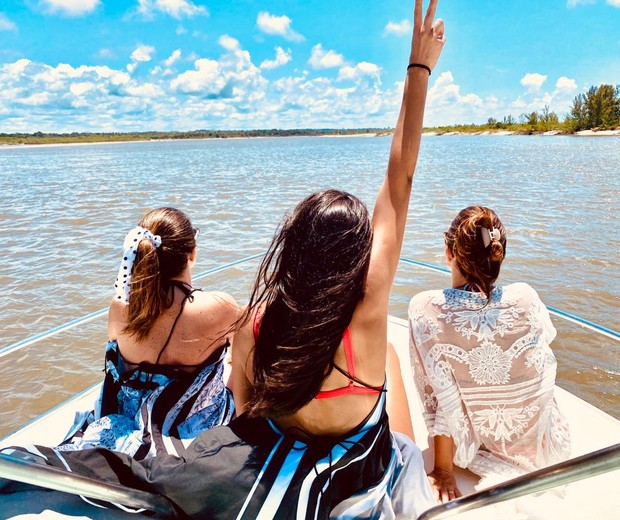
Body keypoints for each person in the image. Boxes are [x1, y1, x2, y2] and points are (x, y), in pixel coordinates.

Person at [0, 2, 445, 517]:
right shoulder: (367, 315)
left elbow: (240, 407)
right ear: (355, 259)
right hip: (352, 475)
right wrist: (420, 69)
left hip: (261, 467)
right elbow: (399, 181)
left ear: (293, 249)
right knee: (407, 450)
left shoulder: (256, 325)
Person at [408, 205, 571, 503]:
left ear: (449, 252)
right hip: (545, 444)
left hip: (475, 447)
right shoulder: (526, 297)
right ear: (499, 254)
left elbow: (438, 391)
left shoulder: (426, 308)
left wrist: (442, 470)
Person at [57, 207, 239, 459]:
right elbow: (242, 360)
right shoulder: (221, 307)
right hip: (194, 429)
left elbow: (115, 360)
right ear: (192, 253)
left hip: (127, 422)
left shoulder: (120, 308)